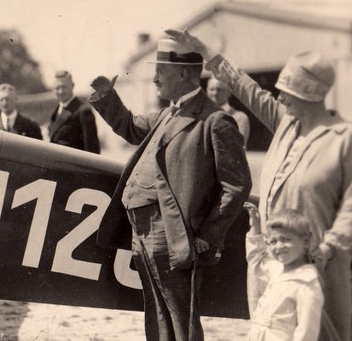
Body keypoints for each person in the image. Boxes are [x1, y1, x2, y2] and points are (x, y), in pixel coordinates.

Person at [167, 29, 352, 341]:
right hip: (277, 260)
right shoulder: (286, 123)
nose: (280, 97)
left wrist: (327, 249)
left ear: (309, 95)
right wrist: (206, 51)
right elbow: (247, 89)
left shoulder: (346, 140)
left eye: (287, 91)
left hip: (318, 269)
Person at [89, 39, 252, 341]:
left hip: (173, 234)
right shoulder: (167, 114)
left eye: (160, 71)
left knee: (181, 319)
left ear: (184, 75)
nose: (154, 79)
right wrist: (106, 97)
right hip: (141, 232)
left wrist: (207, 235)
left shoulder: (215, 121)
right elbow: (131, 126)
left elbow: (237, 186)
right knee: (156, 312)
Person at [244, 203, 324, 341]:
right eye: (273, 241)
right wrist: (255, 229)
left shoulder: (306, 284)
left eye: (286, 239)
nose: (279, 246)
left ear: (306, 242)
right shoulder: (277, 269)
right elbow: (256, 260)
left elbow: (307, 332)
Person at [48, 70, 100, 153]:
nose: (60, 91)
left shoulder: (83, 112)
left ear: (72, 86)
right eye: (57, 88)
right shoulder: (56, 112)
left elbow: (92, 150)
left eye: (64, 87)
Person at [206, 76, 250, 147]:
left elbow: (239, 148)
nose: (215, 93)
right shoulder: (201, 115)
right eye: (211, 89)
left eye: (219, 89)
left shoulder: (239, 118)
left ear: (228, 92)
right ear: (206, 91)